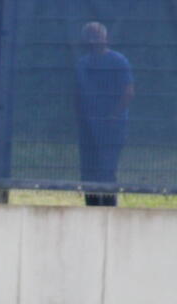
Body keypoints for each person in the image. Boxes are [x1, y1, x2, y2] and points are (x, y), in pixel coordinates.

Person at [75, 21, 134, 206]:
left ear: (105, 38)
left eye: (97, 36)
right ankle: (91, 208)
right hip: (89, 127)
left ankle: (109, 210)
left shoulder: (119, 61)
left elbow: (128, 92)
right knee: (88, 171)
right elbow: (78, 94)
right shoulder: (82, 63)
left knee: (107, 170)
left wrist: (113, 116)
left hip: (112, 126)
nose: (94, 40)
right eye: (90, 36)